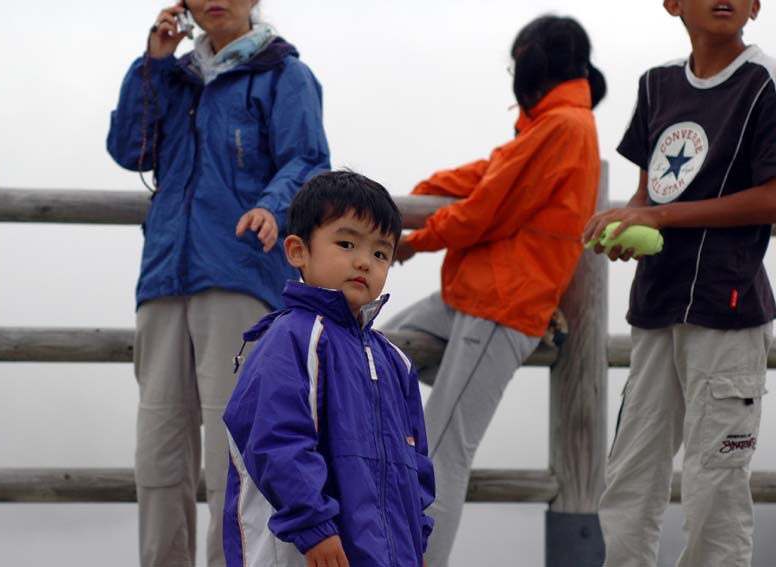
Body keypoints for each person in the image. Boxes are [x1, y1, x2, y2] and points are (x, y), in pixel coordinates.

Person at [106, 1, 330, 565]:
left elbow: (307, 159)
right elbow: (129, 150)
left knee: (231, 453)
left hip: (240, 274)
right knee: (157, 455)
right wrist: (154, 62)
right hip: (162, 279)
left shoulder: (286, 74)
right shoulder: (175, 76)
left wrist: (273, 208)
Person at [384, 15, 605, 567]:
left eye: (519, 58)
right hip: (476, 296)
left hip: (505, 306)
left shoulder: (565, 126)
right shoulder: (550, 123)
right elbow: (489, 174)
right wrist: (412, 199)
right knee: (378, 354)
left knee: (443, 449)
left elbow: (488, 208)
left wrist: (414, 242)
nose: (516, 69)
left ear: (536, 60)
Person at [584, 1, 776, 565]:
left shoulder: (764, 84)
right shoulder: (656, 85)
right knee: (628, 481)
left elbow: (773, 197)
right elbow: (649, 195)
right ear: (673, 3)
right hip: (655, 308)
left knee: (715, 488)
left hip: (727, 309)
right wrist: (629, 224)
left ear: (757, 6)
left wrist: (658, 218)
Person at [222, 171, 435, 567]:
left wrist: (414, 541)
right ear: (298, 251)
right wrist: (313, 527)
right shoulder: (290, 338)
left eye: (380, 253)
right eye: (346, 243)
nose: (363, 262)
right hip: (304, 550)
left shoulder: (394, 361)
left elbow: (416, 465)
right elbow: (275, 442)